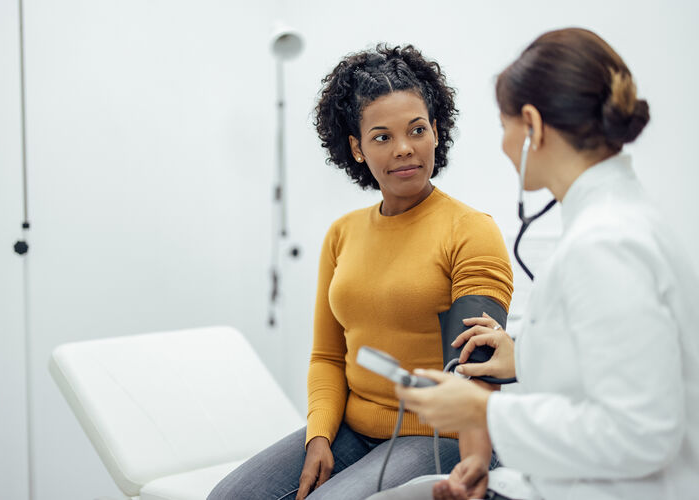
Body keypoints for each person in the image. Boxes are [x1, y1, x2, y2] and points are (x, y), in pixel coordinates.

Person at [376, 28, 699, 500]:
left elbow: (642, 432)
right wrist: (524, 356)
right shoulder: (620, 220)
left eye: (504, 125)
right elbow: (617, 361)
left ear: (532, 125)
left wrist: (482, 413)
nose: (504, 144)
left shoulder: (605, 244)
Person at [208, 44, 514, 500]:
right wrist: (318, 437)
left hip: (440, 436)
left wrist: (473, 466)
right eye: (382, 137)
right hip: (354, 429)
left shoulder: (470, 231)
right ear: (356, 147)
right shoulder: (342, 234)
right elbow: (328, 358)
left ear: (435, 131)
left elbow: (475, 374)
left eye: (416, 129)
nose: (404, 149)